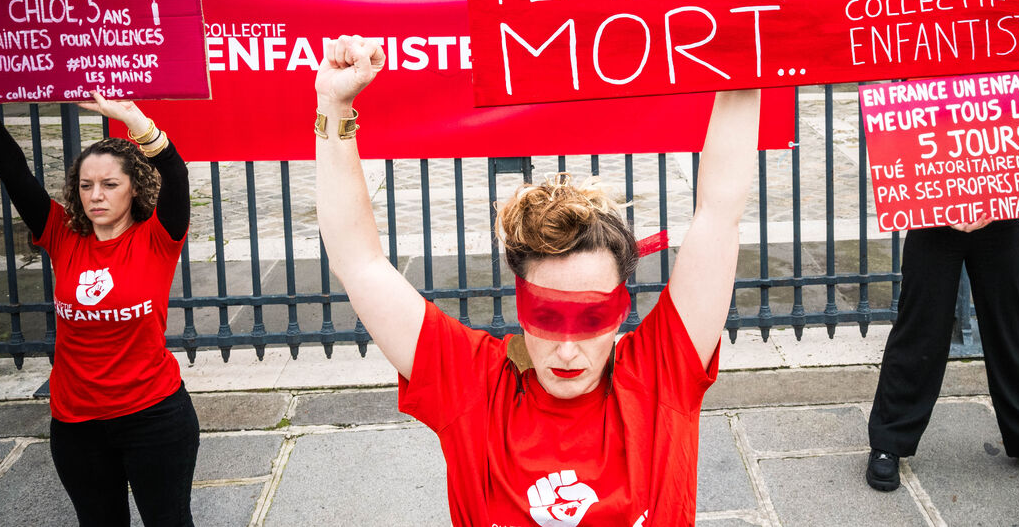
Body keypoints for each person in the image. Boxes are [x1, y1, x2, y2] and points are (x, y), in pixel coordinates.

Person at [313, 34, 760, 525]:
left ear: (620, 311)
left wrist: (748, 51)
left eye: (591, 318)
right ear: (522, 307)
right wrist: (334, 105)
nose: (567, 351)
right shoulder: (473, 386)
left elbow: (720, 213)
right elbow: (359, 262)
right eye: (547, 316)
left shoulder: (659, 376)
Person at [865, 0, 1019, 493]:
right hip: (935, 212)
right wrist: (944, 201)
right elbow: (894, 116)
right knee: (919, 327)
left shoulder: (1010, 37)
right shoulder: (917, 41)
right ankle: (888, 441)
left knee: (1007, 327)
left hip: (1001, 212)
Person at [0, 95, 199, 525]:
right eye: (86, 186)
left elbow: (175, 173)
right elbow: (12, 168)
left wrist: (133, 118)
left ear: (134, 188)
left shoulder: (158, 236)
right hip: (76, 423)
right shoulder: (60, 232)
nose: (96, 196)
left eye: (110, 184)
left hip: (154, 417)